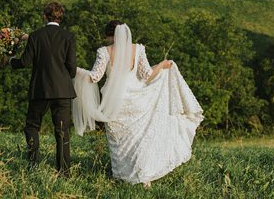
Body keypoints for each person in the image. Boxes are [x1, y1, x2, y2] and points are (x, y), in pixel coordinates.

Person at [73, 20, 203, 187]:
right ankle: (144, 176)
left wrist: (75, 70)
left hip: (115, 105)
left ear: (110, 36)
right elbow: (147, 75)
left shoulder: (104, 52)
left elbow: (95, 77)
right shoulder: (138, 49)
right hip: (138, 101)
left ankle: (122, 177)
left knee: (119, 141)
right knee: (139, 141)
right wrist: (162, 65)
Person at [10, 2, 77, 175]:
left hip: (40, 89)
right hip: (63, 90)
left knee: (32, 126)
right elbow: (72, 67)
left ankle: (33, 165)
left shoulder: (35, 36)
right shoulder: (69, 36)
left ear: (45, 16)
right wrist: (63, 78)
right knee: (62, 131)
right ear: (60, 17)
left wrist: (10, 60)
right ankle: (64, 172)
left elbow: (24, 62)